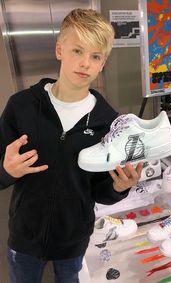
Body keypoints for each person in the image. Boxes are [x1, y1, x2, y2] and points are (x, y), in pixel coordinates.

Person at [0, 8, 143, 283]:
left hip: (73, 240)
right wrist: (7, 171)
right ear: (59, 50)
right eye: (77, 51)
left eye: (95, 56)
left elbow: (102, 190)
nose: (85, 63)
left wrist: (119, 188)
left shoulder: (108, 122)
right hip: (24, 237)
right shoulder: (21, 106)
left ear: (103, 63)